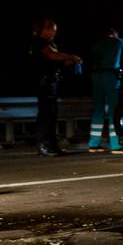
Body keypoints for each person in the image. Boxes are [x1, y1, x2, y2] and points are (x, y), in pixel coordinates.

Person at [30, 19, 82, 157]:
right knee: (46, 115)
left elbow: (55, 62)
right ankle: (42, 146)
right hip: (44, 82)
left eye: (55, 29)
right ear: (44, 30)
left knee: (52, 115)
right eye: (52, 29)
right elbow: (52, 55)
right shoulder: (39, 42)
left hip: (52, 81)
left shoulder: (50, 43)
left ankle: (52, 146)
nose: (54, 32)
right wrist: (71, 56)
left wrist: (70, 61)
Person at [88, 27, 123, 154]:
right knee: (113, 110)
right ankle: (115, 144)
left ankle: (93, 144)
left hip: (96, 77)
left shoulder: (96, 44)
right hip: (111, 77)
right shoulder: (120, 42)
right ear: (115, 34)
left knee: (98, 110)